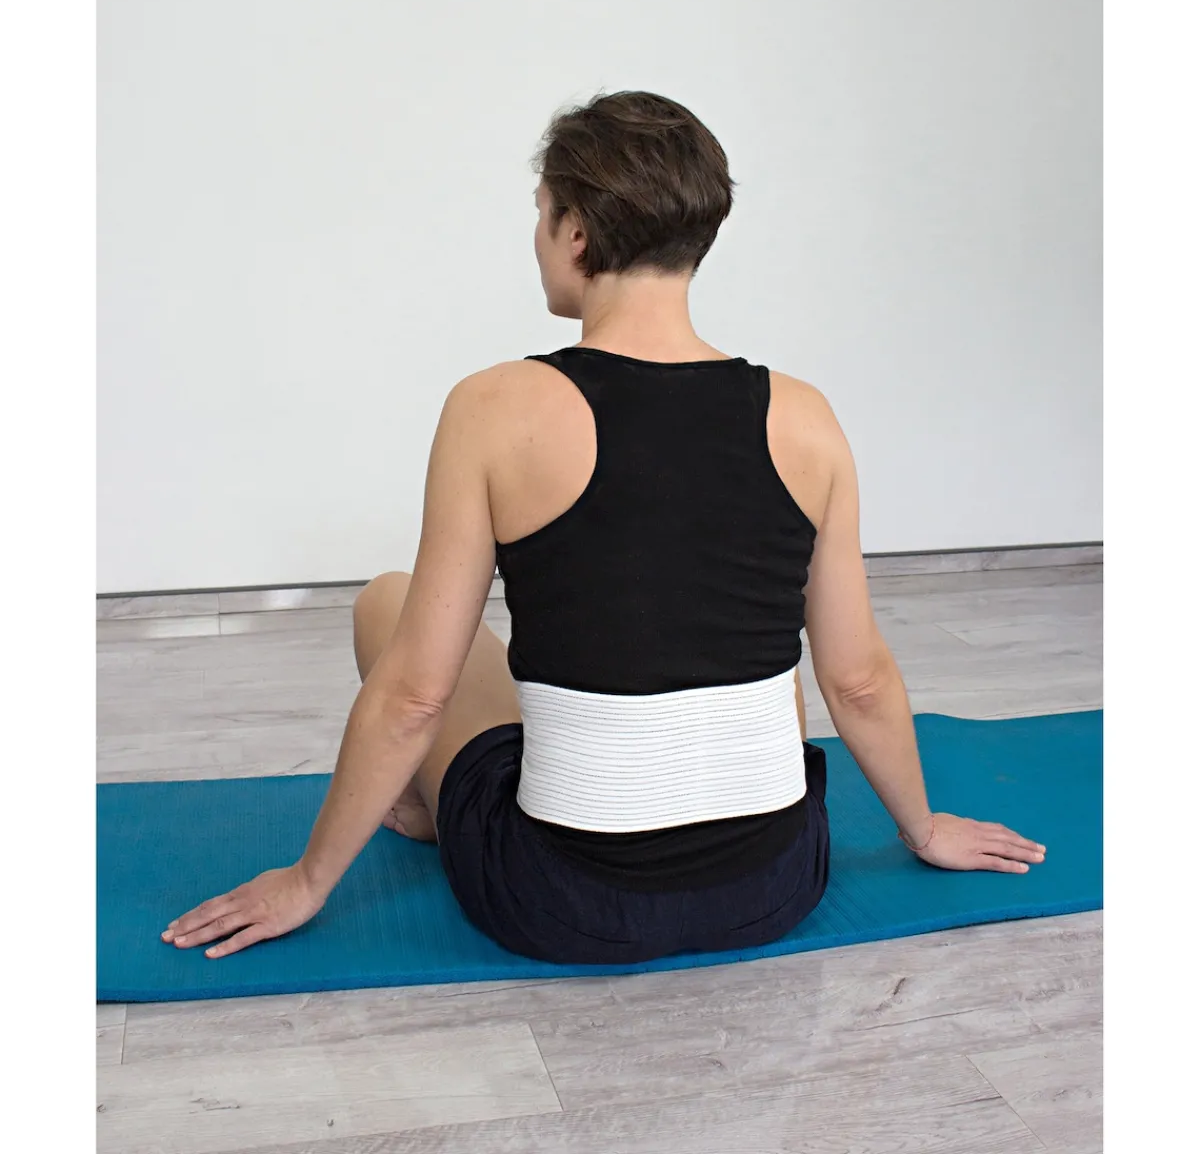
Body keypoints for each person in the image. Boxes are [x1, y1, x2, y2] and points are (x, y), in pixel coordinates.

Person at [161, 91, 1045, 963]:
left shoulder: (494, 408)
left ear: (576, 231)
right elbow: (857, 681)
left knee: (386, 603)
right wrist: (924, 829)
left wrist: (308, 880)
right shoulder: (805, 417)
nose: (539, 235)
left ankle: (432, 812)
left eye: (542, 213)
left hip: (561, 900)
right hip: (775, 888)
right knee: (762, 647)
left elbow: (416, 695)